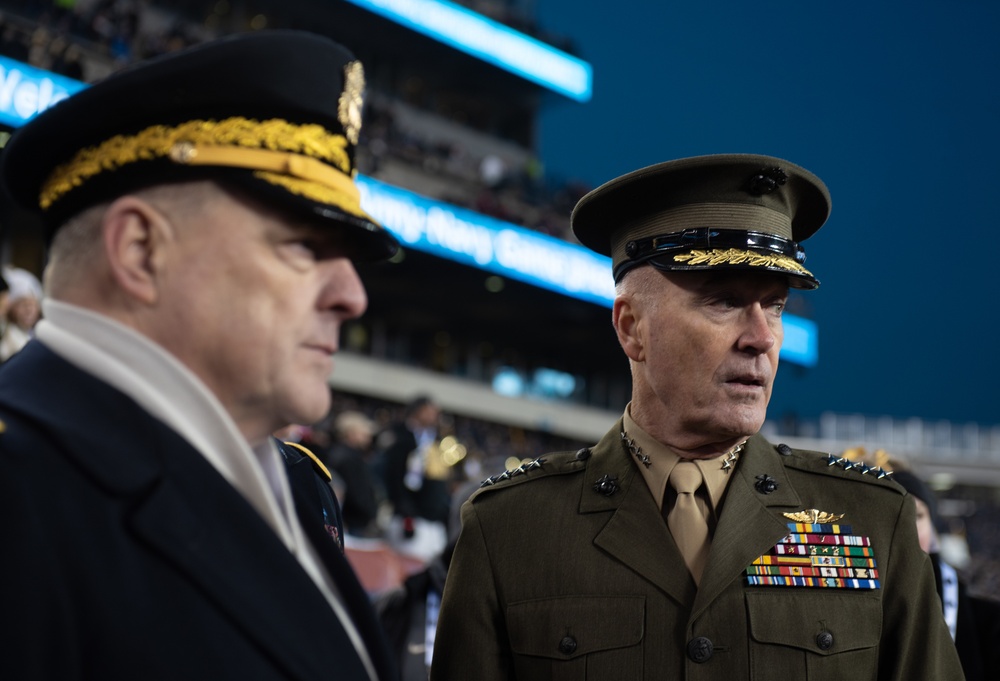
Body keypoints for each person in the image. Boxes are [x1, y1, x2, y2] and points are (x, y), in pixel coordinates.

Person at [431, 154, 965, 680]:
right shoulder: (508, 530)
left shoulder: (873, 523)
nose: (761, 338)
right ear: (631, 327)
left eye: (774, 306)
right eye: (724, 301)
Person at [0, 31, 401, 681]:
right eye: (302, 246)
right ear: (138, 251)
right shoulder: (20, 492)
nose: (352, 296)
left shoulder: (289, 483)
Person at [885, 463, 1000, 680]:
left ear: (933, 527)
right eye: (896, 515)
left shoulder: (989, 625)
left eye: (917, 515)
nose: (908, 526)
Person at [379, 395, 450, 562]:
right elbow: (394, 477)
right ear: (418, 411)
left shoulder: (436, 440)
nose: (435, 416)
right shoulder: (399, 437)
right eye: (430, 411)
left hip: (433, 520)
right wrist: (405, 512)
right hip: (410, 518)